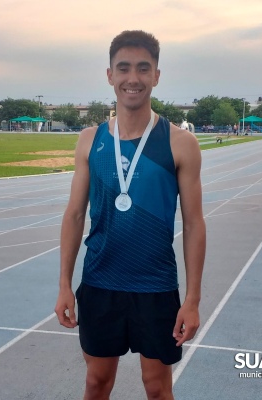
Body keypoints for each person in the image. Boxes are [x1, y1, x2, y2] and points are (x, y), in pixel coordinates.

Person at [54, 30, 206, 400]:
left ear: (156, 75)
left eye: (143, 68)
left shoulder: (179, 142)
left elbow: (194, 223)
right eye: (123, 68)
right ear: (110, 75)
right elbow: (75, 215)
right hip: (101, 283)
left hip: (155, 287)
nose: (132, 78)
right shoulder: (90, 140)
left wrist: (193, 299)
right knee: (96, 383)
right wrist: (63, 284)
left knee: (157, 387)